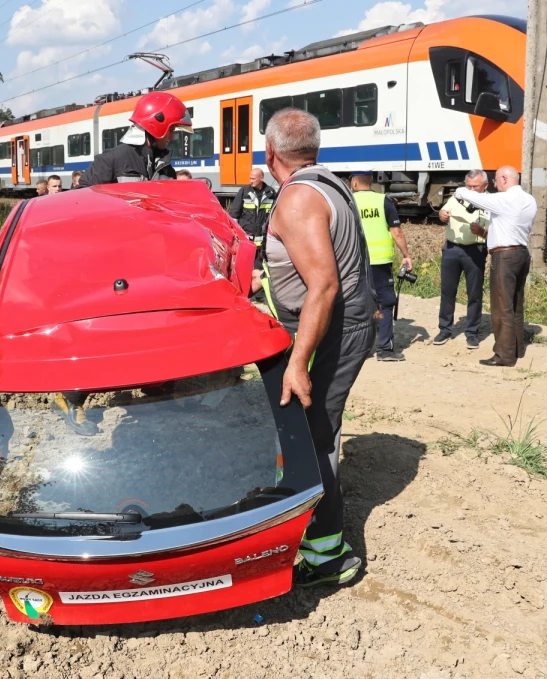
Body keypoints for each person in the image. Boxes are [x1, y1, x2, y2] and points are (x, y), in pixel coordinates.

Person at [260, 109, 375, 588]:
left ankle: (328, 554)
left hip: (329, 331)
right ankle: (313, 527)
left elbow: (323, 285)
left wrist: (298, 361)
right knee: (316, 430)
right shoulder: (327, 182)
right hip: (340, 326)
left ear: (270, 154)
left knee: (315, 435)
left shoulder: (297, 198)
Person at [453, 166, 536, 367]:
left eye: (497, 181)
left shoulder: (505, 199)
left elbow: (468, 194)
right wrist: (484, 230)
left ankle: (504, 355)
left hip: (505, 257)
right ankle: (517, 348)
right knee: (516, 303)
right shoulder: (529, 200)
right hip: (522, 253)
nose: (496, 185)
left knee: (502, 306)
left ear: (504, 179)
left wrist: (461, 191)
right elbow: (505, 225)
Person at [350, 171, 411, 361]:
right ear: (372, 182)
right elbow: (397, 232)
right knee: (385, 304)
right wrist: (406, 255)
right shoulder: (384, 201)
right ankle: (385, 350)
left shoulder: (348, 202)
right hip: (380, 263)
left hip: (355, 263)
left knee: (358, 304)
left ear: (354, 183)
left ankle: (361, 349)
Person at [77, 91, 191, 187]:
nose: (172, 137)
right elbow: (80, 198)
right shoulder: (111, 160)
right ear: (156, 125)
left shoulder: (166, 168)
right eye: (171, 130)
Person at [434, 170, 490, 349]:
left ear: (485, 186)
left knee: (474, 293)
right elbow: (443, 212)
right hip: (452, 248)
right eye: (469, 186)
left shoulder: (491, 202)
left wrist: (481, 231)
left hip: (475, 250)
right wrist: (442, 216)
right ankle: (445, 329)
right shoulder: (458, 196)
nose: (471, 190)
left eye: (476, 186)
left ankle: (472, 332)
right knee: (447, 291)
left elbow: (495, 231)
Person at [227, 167, 276, 270]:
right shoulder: (244, 192)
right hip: (247, 240)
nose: (250, 181)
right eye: (250, 178)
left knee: (261, 270)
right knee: (245, 268)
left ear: (261, 178)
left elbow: (275, 215)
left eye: (253, 179)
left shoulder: (270, 193)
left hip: (263, 243)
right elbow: (234, 215)